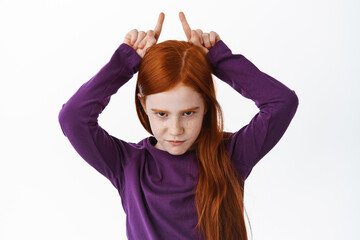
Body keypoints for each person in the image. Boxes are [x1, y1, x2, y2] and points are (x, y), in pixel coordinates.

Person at [58, 11, 299, 240]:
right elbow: (73, 117)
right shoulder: (128, 165)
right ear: (143, 106)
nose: (175, 129)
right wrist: (125, 61)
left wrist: (218, 59)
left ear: (205, 105)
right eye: (162, 114)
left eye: (188, 113)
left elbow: (282, 102)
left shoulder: (230, 155)